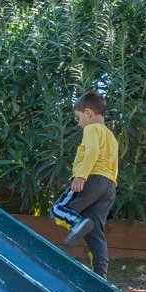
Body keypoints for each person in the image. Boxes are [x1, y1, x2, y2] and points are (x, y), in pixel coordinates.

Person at [49, 91, 118, 277]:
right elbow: (113, 163)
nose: (79, 123)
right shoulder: (111, 136)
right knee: (96, 232)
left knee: (57, 209)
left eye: (78, 117)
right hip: (109, 185)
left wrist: (81, 176)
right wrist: (109, 186)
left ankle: (77, 222)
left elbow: (92, 151)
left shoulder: (91, 129)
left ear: (88, 113)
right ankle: (101, 274)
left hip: (92, 178)